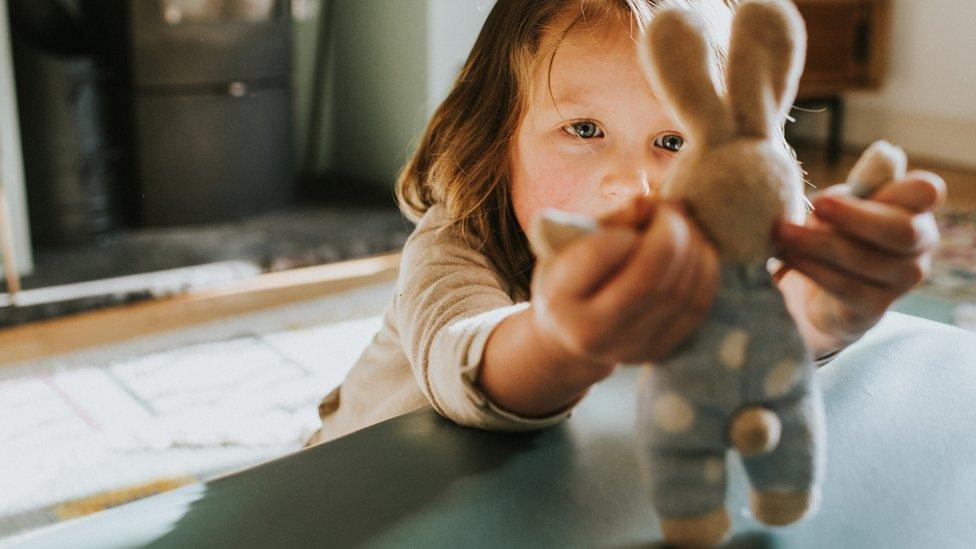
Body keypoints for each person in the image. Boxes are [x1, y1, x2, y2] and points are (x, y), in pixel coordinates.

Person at [305, 0, 944, 446]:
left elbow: (769, 321)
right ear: (499, 139)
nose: (631, 183)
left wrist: (828, 302)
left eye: (674, 140)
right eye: (584, 130)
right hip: (356, 479)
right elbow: (460, 360)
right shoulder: (458, 242)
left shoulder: (716, 236)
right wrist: (561, 339)